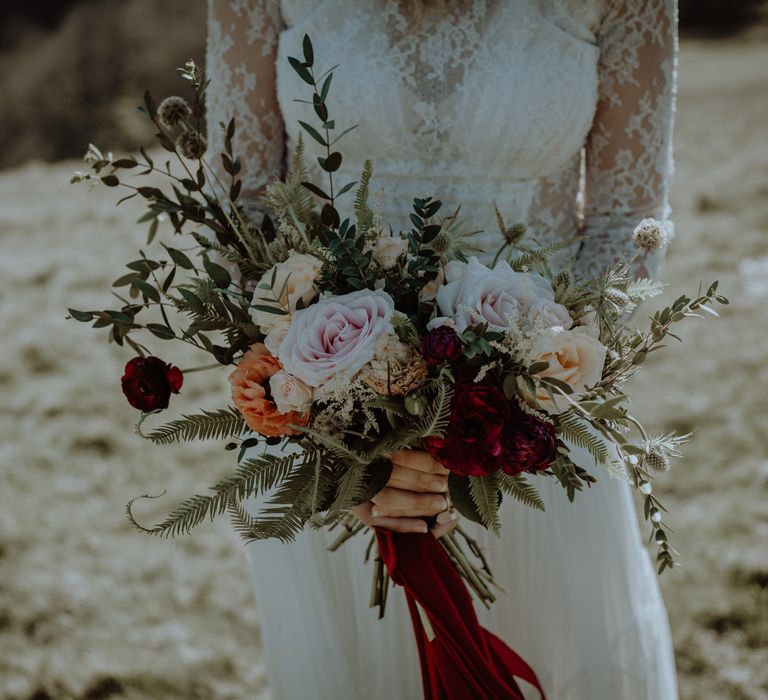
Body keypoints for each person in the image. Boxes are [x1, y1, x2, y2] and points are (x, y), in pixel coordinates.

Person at [206, 1, 679, 698]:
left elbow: (626, 222)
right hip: (325, 440)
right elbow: (241, 208)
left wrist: (495, 419)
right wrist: (355, 440)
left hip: (532, 439)